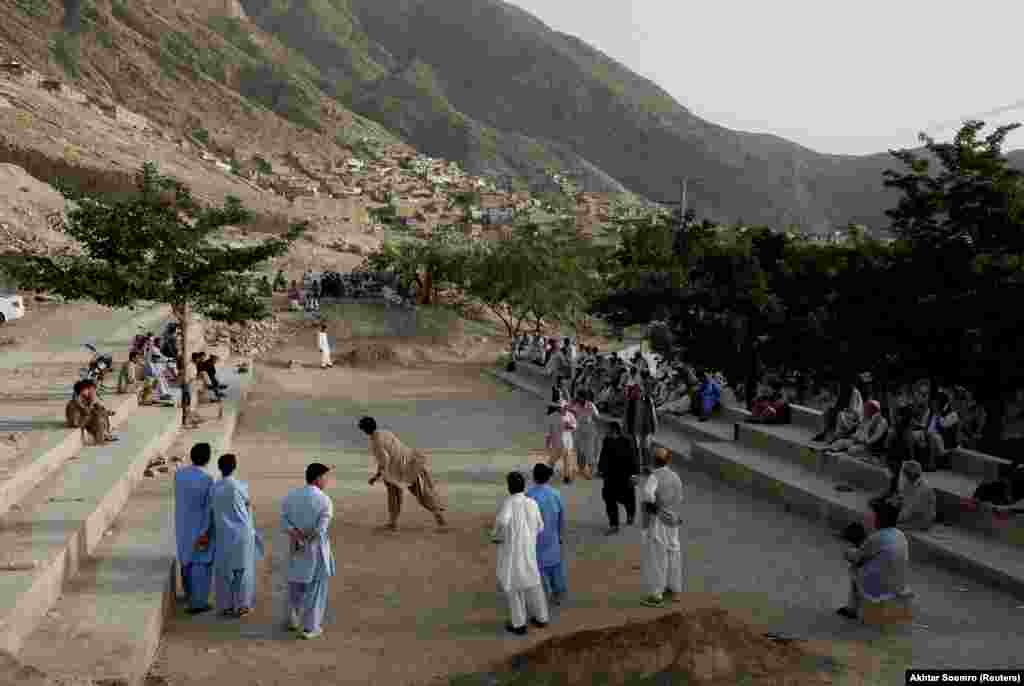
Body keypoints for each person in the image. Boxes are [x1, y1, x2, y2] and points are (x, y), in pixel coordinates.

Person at [360, 416, 447, 530]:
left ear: (365, 430)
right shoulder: (385, 432)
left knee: (394, 495)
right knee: (419, 493)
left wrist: (376, 476)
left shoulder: (375, 442)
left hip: (397, 470)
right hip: (409, 461)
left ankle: (393, 523)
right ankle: (437, 514)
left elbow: (384, 460)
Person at [281, 462, 335, 639]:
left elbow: (284, 521)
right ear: (318, 478)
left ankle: (292, 619)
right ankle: (310, 627)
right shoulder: (324, 500)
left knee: (295, 584)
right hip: (315, 549)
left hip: (295, 546)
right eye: (326, 477)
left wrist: (297, 536)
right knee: (315, 587)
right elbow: (321, 528)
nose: (327, 480)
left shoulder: (291, 496)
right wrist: (307, 539)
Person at [492, 471, 549, 635]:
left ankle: (519, 624)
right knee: (534, 584)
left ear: (509, 487)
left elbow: (502, 522)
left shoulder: (508, 504)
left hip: (512, 554)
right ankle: (541, 618)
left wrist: (497, 537)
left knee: (514, 589)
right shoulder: (532, 503)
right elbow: (540, 526)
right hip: (529, 551)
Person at [837, 500, 909, 620]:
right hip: (899, 583)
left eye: (875, 515)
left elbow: (856, 557)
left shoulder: (877, 538)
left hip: (883, 585)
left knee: (855, 569)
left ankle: (852, 609)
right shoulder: (900, 534)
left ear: (880, 519)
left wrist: (848, 551)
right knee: (870, 564)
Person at [210, 454, 262, 618]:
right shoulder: (240, 486)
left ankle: (225, 605)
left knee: (224, 571)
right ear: (234, 467)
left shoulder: (214, 487)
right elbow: (247, 506)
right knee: (243, 569)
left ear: (220, 468)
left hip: (223, 533)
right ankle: (242, 605)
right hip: (241, 533)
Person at [639, 447, 685, 607]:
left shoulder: (654, 477)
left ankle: (656, 594)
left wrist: (654, 510)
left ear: (654, 460)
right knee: (674, 552)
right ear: (668, 460)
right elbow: (680, 497)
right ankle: (675, 589)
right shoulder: (676, 476)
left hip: (659, 521)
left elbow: (648, 496)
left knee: (659, 556)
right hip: (673, 520)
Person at [174, 443, 215, 615]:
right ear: (208, 458)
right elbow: (208, 507)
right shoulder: (207, 479)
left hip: (183, 524)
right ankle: (198, 602)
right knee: (200, 563)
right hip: (200, 525)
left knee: (186, 559)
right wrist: (206, 531)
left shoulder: (179, 475)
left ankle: (189, 593)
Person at [526, 464, 567, 606]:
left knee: (539, 571)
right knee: (556, 568)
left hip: (536, 541)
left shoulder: (529, 496)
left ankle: (542, 597)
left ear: (534, 477)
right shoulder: (556, 494)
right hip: (553, 539)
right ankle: (558, 594)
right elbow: (562, 517)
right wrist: (561, 535)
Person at [599, 422, 639, 534]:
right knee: (608, 498)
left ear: (614, 430)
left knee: (627, 498)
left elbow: (634, 457)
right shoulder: (606, 440)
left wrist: (634, 474)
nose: (606, 431)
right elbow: (603, 455)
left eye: (608, 429)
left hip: (625, 476)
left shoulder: (627, 441)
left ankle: (630, 513)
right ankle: (614, 524)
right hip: (610, 476)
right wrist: (601, 468)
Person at [893, 460, 936, 531]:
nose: (901, 476)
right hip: (910, 518)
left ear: (909, 475)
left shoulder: (923, 490)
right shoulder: (908, 484)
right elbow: (900, 500)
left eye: (903, 473)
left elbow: (907, 513)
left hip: (920, 523)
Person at [569, 391, 600, 479]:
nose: (578, 399)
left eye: (580, 397)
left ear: (584, 398)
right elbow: (567, 409)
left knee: (589, 452)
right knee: (580, 450)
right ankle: (581, 469)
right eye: (578, 397)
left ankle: (591, 471)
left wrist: (595, 430)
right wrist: (572, 402)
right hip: (579, 430)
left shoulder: (590, 405)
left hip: (589, 431)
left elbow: (597, 417)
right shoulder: (576, 404)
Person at [545, 401, 577, 484]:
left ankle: (567, 476)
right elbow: (548, 432)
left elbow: (575, 425)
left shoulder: (570, 415)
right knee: (554, 458)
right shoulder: (552, 417)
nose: (565, 408)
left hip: (567, 442)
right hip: (557, 442)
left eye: (565, 407)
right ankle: (549, 469)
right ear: (559, 408)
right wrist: (547, 443)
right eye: (562, 407)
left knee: (567, 459)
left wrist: (570, 426)